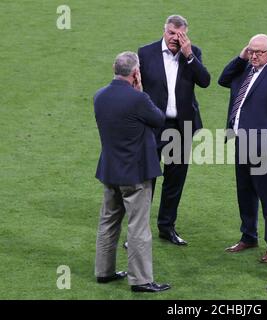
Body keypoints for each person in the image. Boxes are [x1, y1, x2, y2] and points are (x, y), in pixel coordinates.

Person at [94, 51, 170, 293]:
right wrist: (141, 92)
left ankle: (104, 272)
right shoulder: (138, 99)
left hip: (110, 170)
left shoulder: (100, 96)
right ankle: (141, 280)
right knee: (138, 226)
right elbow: (159, 119)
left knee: (108, 222)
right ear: (136, 72)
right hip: (135, 174)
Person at [137, 14, 211, 246]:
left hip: (181, 128)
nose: (175, 39)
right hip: (152, 126)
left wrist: (189, 55)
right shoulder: (145, 53)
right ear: (164, 30)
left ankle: (166, 226)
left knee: (174, 180)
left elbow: (205, 81)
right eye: (171, 33)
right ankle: (139, 231)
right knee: (147, 179)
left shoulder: (192, 53)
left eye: (180, 35)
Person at [218, 34, 267, 263]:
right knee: (244, 193)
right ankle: (249, 236)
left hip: (262, 148)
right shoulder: (245, 69)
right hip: (242, 143)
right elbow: (222, 79)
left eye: (259, 52)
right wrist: (241, 56)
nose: (254, 56)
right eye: (252, 51)